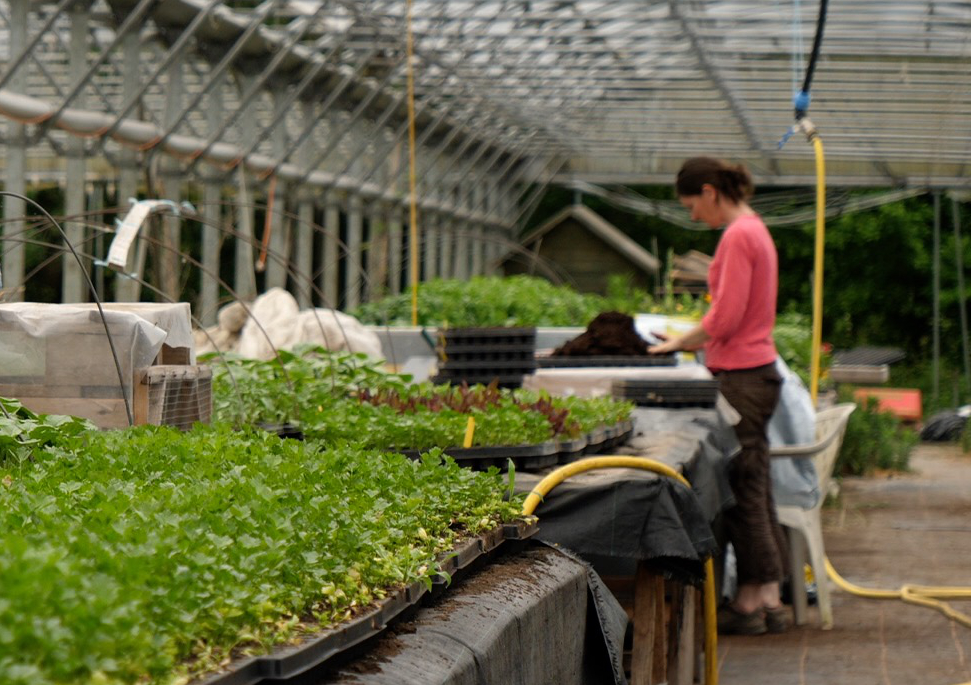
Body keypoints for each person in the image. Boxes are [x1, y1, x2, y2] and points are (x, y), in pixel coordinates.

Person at [648, 157, 789, 635]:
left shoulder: (737, 235)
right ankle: (766, 593)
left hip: (742, 377)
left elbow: (724, 318)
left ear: (710, 192)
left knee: (741, 488)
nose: (693, 217)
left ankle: (754, 599)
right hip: (757, 373)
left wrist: (675, 343)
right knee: (755, 483)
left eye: (692, 206)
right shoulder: (755, 229)